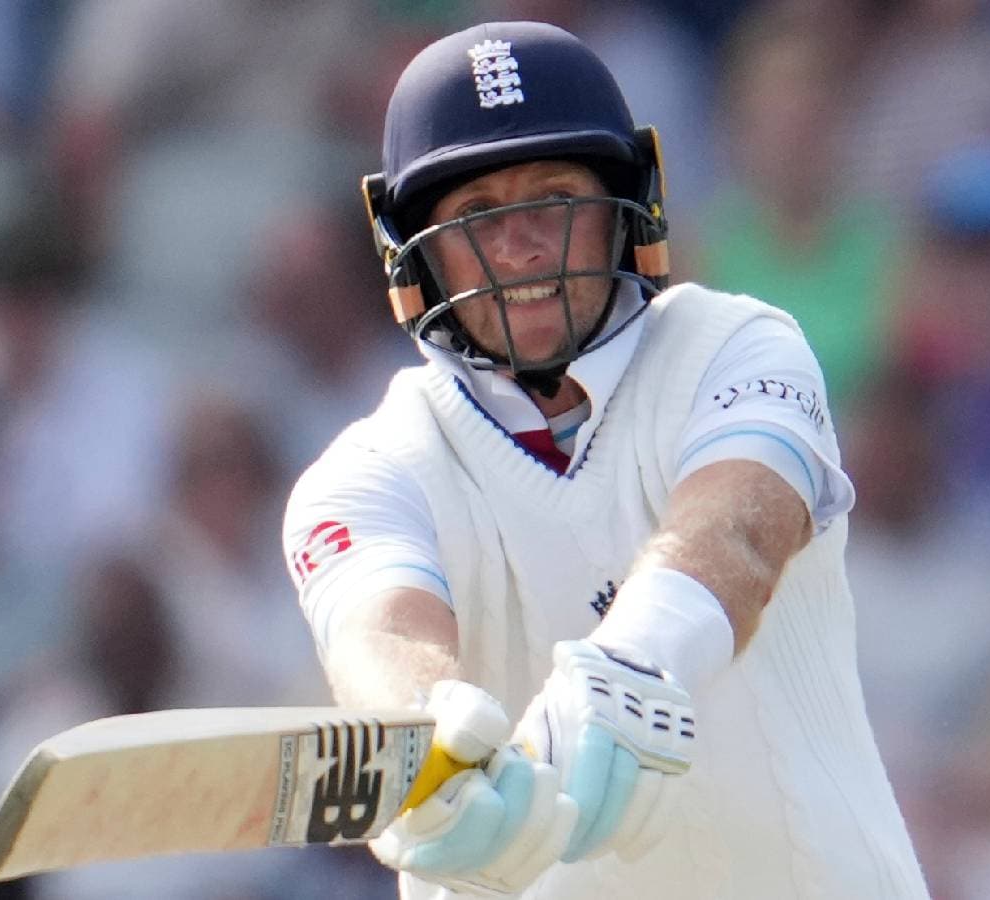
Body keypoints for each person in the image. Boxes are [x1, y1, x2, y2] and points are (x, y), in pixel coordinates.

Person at [282, 21, 929, 899]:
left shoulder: (737, 346)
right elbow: (380, 631)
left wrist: (631, 669)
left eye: (552, 198)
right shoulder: (364, 472)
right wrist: (426, 747)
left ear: (627, 205)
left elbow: (737, 530)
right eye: (475, 215)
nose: (519, 248)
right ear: (414, 253)